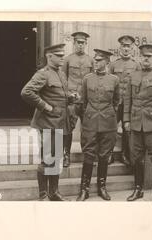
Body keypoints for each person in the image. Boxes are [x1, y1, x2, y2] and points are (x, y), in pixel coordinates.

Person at [21, 43, 74, 201]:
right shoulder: (43, 74)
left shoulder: (61, 74)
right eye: (58, 55)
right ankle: (43, 195)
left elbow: (59, 95)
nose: (62, 58)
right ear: (49, 57)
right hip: (47, 122)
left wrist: (71, 97)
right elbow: (26, 92)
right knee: (47, 159)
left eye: (63, 55)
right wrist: (46, 107)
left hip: (59, 122)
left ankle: (54, 192)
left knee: (56, 158)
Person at [123, 44, 152, 201]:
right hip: (136, 123)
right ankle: (139, 190)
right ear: (140, 57)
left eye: (149, 56)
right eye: (143, 56)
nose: (146, 59)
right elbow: (127, 100)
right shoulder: (133, 76)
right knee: (137, 157)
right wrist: (126, 119)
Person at [76, 49, 120, 201]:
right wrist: (87, 117)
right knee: (88, 154)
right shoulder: (87, 78)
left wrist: (109, 114)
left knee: (104, 155)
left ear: (107, 62)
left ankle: (102, 187)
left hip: (108, 123)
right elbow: (82, 102)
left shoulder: (114, 80)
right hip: (90, 122)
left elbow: (116, 101)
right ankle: (84, 189)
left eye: (100, 60)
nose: (96, 61)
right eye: (95, 59)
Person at [62, 31, 94, 168]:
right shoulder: (68, 60)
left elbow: (93, 80)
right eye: (78, 43)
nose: (80, 45)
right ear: (74, 43)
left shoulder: (91, 60)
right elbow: (63, 79)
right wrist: (67, 95)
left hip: (86, 101)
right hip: (72, 100)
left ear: (86, 44)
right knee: (68, 129)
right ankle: (66, 155)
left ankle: (88, 156)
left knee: (87, 130)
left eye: (83, 43)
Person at [108, 35, 141, 166]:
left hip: (129, 105)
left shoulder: (136, 65)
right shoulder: (113, 64)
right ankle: (109, 154)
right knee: (111, 129)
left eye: (128, 46)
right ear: (120, 47)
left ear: (132, 48)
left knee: (127, 130)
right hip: (115, 104)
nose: (126, 48)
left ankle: (125, 154)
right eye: (123, 46)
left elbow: (139, 85)